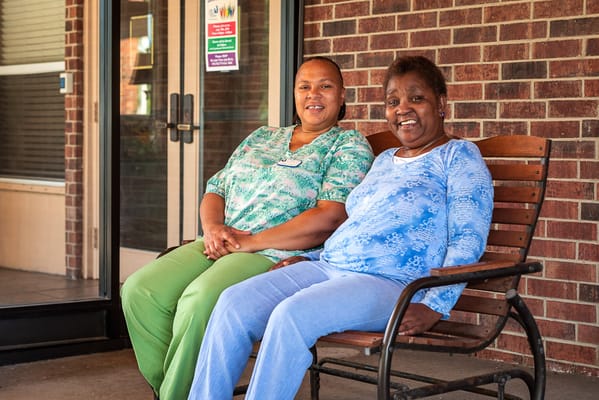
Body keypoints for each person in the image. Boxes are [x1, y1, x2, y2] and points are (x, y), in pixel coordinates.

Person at [187, 55, 495, 400]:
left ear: (441, 104)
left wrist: (435, 304)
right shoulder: (383, 160)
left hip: (390, 282)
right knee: (233, 303)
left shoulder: (458, 157)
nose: (403, 109)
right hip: (329, 267)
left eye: (416, 98)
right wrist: (313, 256)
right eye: (393, 101)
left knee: (292, 315)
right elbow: (358, 223)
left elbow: (468, 239)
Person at [120, 56, 374, 400]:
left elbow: (329, 217)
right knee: (139, 290)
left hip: (276, 252)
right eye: (305, 86)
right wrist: (212, 228)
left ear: (342, 95)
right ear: (294, 95)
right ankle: (173, 389)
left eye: (325, 86)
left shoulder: (347, 145)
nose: (314, 94)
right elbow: (216, 189)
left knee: (200, 301)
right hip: (221, 240)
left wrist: (251, 242)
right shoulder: (262, 136)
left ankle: (176, 394)